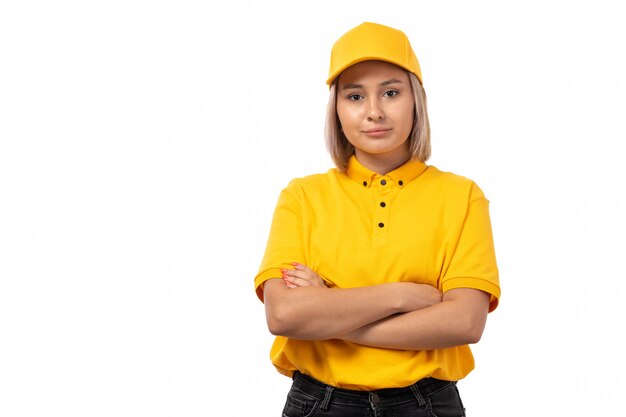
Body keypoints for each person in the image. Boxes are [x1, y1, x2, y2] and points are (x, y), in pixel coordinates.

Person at [254, 22, 500, 417]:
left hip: (427, 404)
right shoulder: (302, 197)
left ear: (416, 100)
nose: (374, 112)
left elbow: (466, 321)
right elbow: (284, 315)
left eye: (391, 92)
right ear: (336, 108)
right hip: (320, 403)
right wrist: (402, 296)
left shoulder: (462, 196)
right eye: (355, 95)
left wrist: (329, 311)